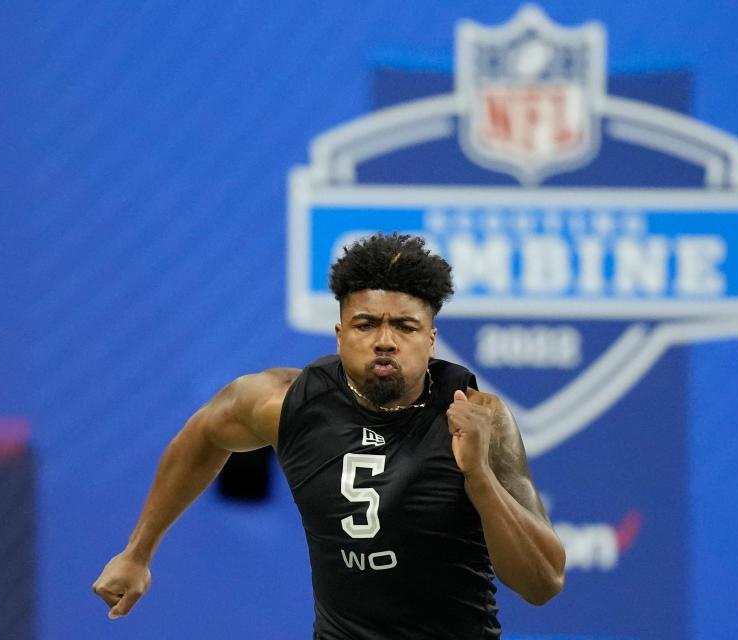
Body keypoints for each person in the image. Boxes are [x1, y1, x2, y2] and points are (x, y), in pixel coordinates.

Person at [92, 233, 565, 638]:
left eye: (405, 326)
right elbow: (204, 435)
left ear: (431, 340)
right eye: (366, 324)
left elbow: (543, 582)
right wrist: (138, 552)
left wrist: (479, 478)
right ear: (340, 334)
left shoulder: (476, 416)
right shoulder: (286, 404)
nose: (385, 340)